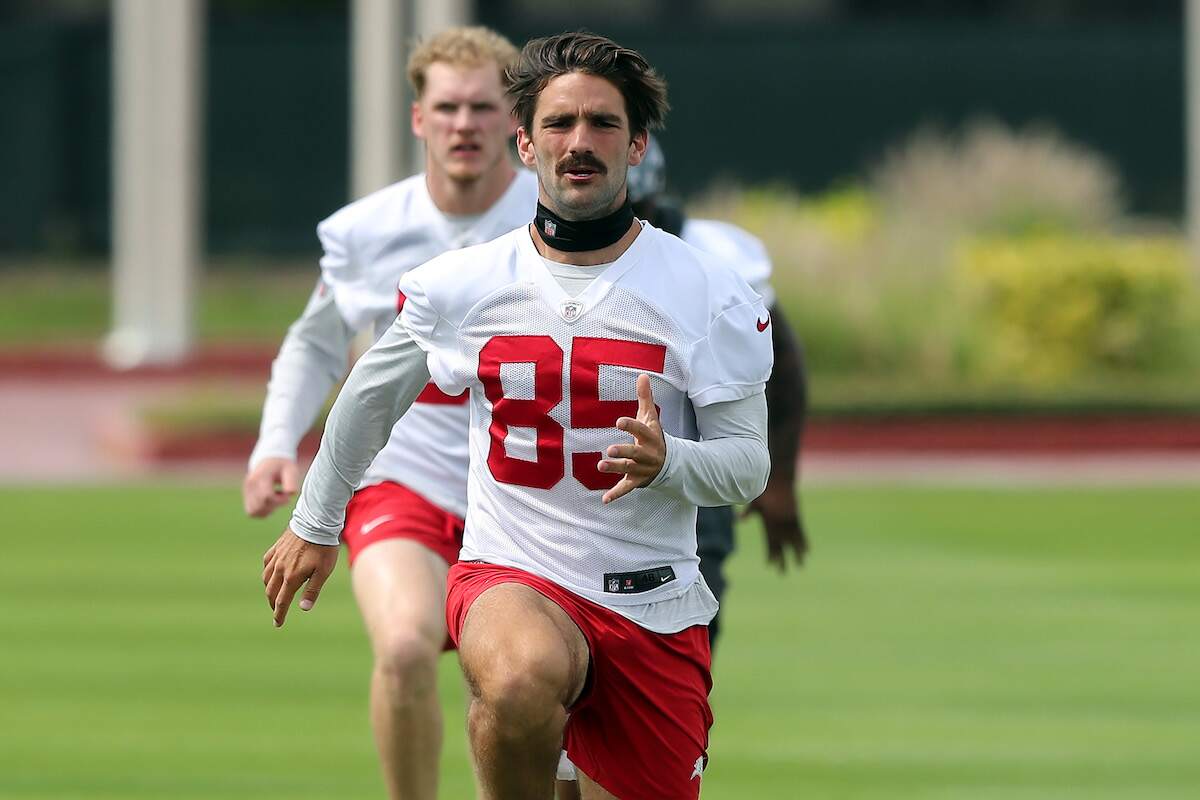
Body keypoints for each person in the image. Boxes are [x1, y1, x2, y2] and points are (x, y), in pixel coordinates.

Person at [262, 31, 773, 799]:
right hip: (514, 572)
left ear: (637, 144)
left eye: (603, 123)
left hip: (653, 602)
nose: (580, 142)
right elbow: (370, 394)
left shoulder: (707, 288)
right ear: (525, 144)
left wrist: (672, 462)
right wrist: (316, 520)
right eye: (559, 123)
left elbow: (747, 463)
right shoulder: (464, 282)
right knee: (518, 675)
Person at [242, 27, 536, 800]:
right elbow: (315, 342)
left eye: (482, 106)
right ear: (419, 119)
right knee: (405, 647)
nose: (464, 124)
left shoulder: (559, 220)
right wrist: (277, 443)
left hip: (524, 491)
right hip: (402, 475)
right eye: (446, 107)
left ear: (515, 119)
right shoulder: (370, 230)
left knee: (511, 682)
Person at [627, 135, 809, 647]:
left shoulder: (715, 260)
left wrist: (779, 481)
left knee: (689, 640)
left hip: (696, 477)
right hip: (576, 477)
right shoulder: (542, 254)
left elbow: (785, 372)